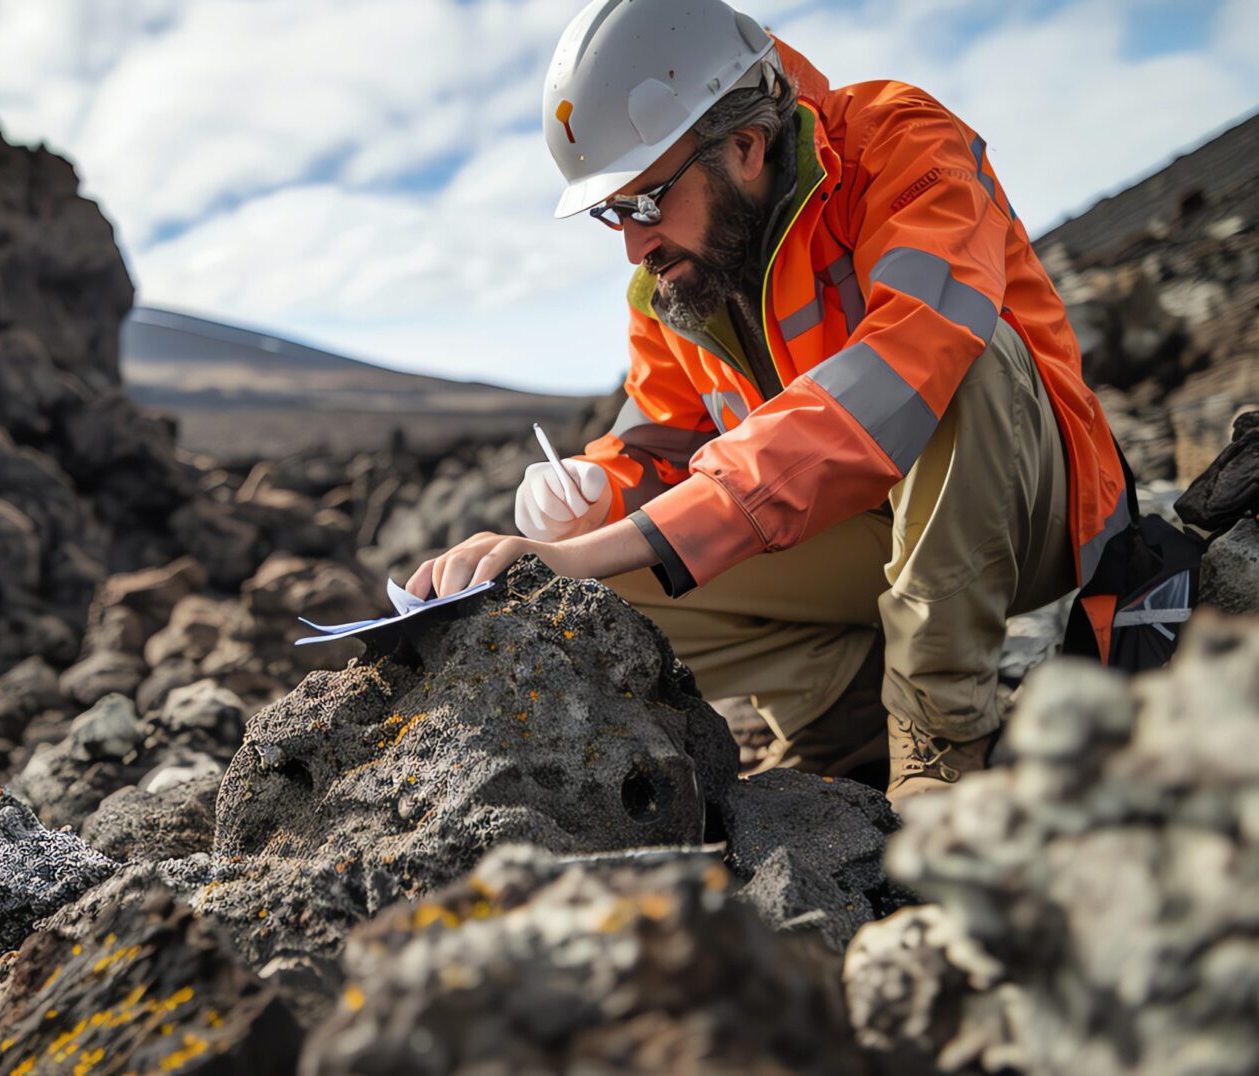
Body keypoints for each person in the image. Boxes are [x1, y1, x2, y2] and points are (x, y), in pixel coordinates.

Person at [407, 0, 1130, 805]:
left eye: (644, 202)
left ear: (745, 147)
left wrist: (600, 546)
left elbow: (912, 356)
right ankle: (839, 708)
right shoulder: (671, 284)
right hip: (864, 541)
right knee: (584, 591)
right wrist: (592, 496)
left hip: (1029, 517)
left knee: (969, 356)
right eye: (612, 212)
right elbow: (661, 443)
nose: (633, 245)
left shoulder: (899, 140)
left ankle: (939, 723)